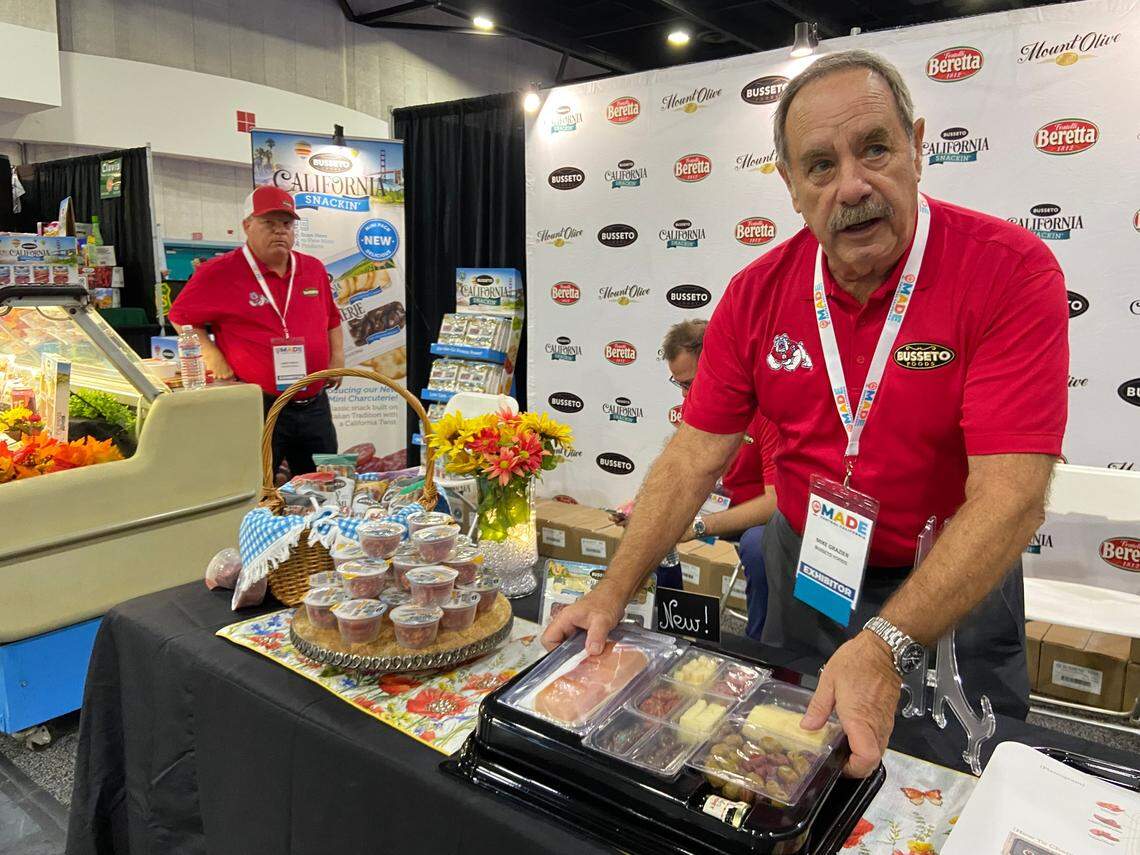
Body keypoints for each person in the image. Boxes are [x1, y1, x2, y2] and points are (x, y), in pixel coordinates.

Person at [543, 49, 1067, 779]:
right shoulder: (756, 294)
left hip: (954, 582)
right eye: (820, 165)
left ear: (918, 148)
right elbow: (695, 454)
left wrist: (886, 643)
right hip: (812, 571)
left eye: (875, 148)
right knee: (785, 768)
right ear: (790, 187)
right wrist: (612, 589)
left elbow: (1011, 495)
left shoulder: (1008, 269)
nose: (853, 185)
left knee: (953, 782)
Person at [616, 319, 779, 636]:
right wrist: (642, 506)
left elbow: (776, 503)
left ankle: (763, 654)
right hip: (715, 506)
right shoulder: (697, 402)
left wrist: (698, 527)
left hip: (758, 517)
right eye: (680, 385)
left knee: (759, 547)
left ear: (720, 365)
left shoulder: (768, 409)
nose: (686, 395)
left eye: (691, 383)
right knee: (648, 523)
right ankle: (653, 631)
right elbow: (680, 470)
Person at [169, 186, 345, 476]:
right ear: (247, 225)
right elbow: (180, 317)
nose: (280, 232)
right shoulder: (219, 272)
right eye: (269, 223)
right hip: (260, 406)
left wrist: (337, 360)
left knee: (324, 485)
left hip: (313, 404)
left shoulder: (312, 268)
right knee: (257, 487)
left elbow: (332, 320)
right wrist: (212, 354)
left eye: (286, 224)